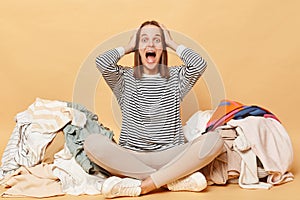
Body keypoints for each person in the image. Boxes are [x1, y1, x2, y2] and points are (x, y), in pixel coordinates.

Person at [84, 20, 224, 198]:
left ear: (163, 47)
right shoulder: (124, 79)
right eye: (144, 40)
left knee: (215, 139)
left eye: (157, 40)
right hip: (133, 156)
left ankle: (144, 185)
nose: (150, 44)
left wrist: (172, 43)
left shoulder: (176, 77)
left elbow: (199, 64)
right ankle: (171, 180)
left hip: (172, 155)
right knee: (92, 143)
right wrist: (129, 46)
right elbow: (102, 62)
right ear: (137, 47)